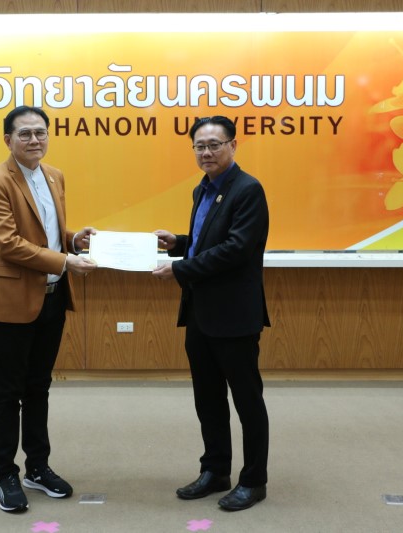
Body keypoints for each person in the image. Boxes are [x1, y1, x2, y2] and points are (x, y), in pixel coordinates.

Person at [0, 105, 97, 513]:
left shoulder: (54, 175)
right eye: (25, 133)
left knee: (39, 387)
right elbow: (8, 243)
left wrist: (74, 240)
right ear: (8, 139)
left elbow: (47, 232)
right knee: (9, 391)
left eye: (40, 132)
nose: (34, 140)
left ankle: (37, 467)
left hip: (53, 298)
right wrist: (65, 261)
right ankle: (5, 474)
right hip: (13, 302)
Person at [153, 115, 271, 512]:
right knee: (208, 399)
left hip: (234, 316)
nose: (206, 152)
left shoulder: (248, 189)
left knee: (247, 400)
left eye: (214, 144)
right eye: (200, 146)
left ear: (233, 146)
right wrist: (178, 244)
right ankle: (216, 470)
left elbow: (236, 249)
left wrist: (180, 268)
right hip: (201, 314)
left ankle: (253, 480)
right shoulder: (202, 190)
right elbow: (207, 242)